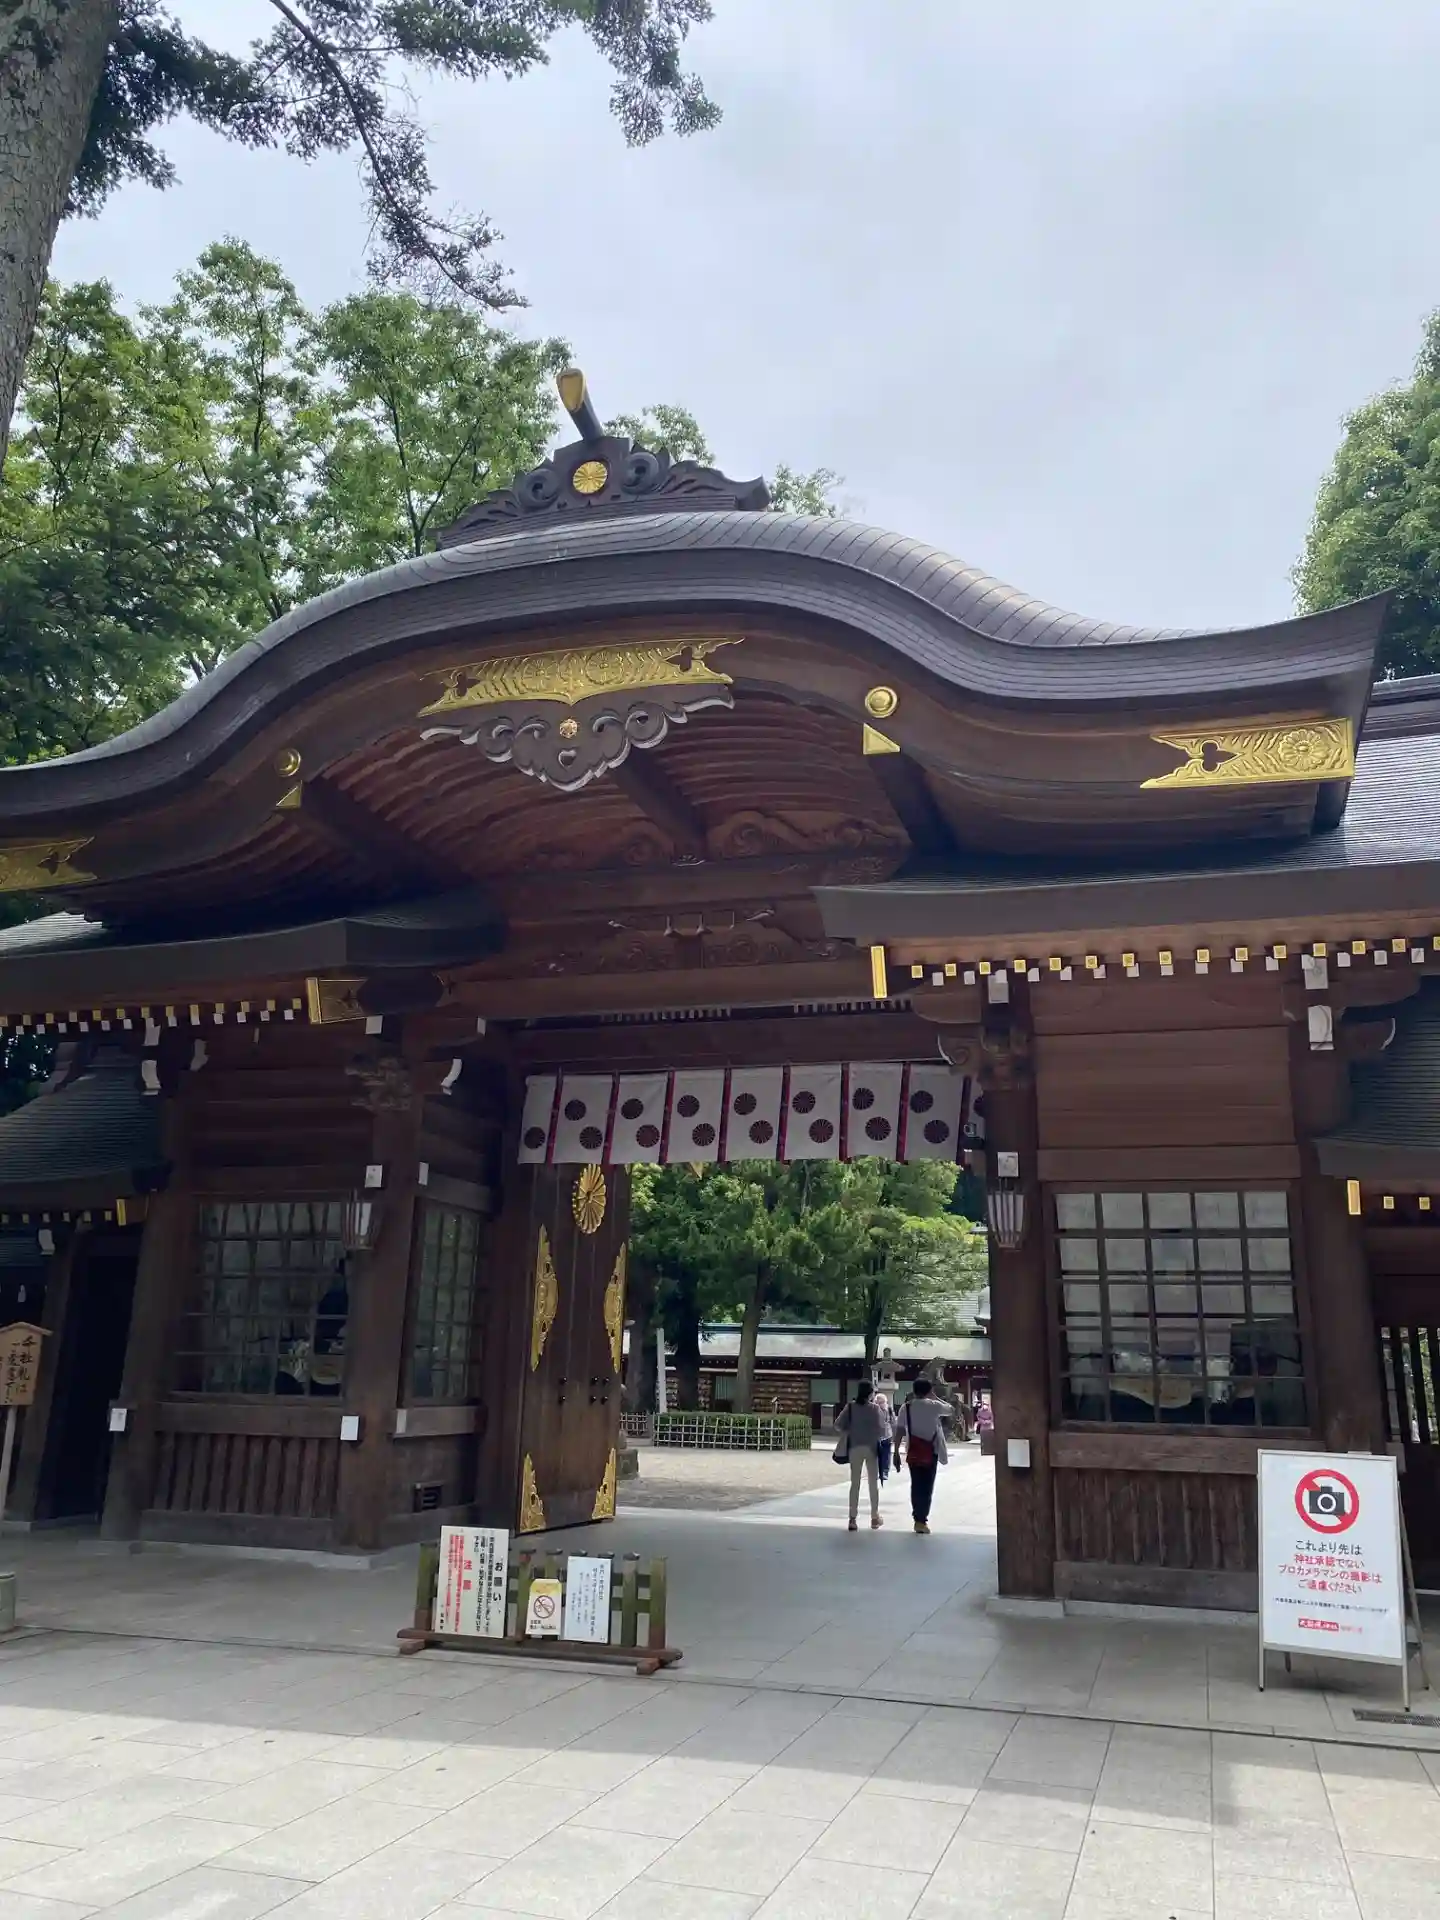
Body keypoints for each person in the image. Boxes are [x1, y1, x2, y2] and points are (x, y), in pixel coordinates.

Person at [894, 1376, 949, 1534]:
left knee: (916, 1484)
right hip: (931, 1450)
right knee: (927, 1486)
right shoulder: (934, 1405)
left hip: (914, 1450)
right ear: (929, 1391)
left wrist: (896, 1451)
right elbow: (951, 1410)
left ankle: (917, 1518)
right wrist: (935, 1397)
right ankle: (922, 1520)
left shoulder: (906, 1407)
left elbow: (900, 1430)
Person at [835, 1379, 885, 1531]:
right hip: (872, 1448)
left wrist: (850, 1430)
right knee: (873, 1483)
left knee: (855, 1483)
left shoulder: (850, 1407)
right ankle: (874, 1517)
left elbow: (838, 1424)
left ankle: (852, 1518)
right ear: (870, 1393)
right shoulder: (875, 1409)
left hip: (854, 1447)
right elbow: (882, 1430)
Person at [874, 1391, 894, 1485]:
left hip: (887, 1435)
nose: (880, 1404)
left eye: (882, 1402)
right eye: (878, 1402)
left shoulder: (889, 1409)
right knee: (876, 1455)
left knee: (886, 1455)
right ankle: (878, 1472)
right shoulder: (872, 1410)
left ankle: (885, 1472)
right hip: (875, 1436)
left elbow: (893, 1421)